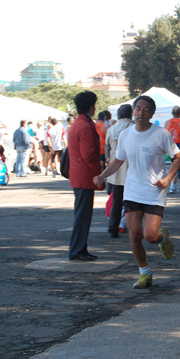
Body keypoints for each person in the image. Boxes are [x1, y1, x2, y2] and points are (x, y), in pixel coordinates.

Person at [93, 95, 180, 289]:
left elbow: (178, 158)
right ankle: (145, 273)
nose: (141, 113)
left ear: (151, 113)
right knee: (134, 235)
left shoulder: (161, 134)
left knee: (150, 236)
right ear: (133, 111)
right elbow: (118, 160)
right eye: (138, 109)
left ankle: (163, 238)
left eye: (145, 110)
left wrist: (168, 178)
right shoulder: (126, 135)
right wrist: (102, 176)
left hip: (154, 190)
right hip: (133, 189)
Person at [68, 91, 104, 261]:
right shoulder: (85, 126)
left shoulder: (79, 123)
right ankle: (77, 250)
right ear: (91, 106)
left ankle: (79, 248)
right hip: (84, 176)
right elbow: (89, 154)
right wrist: (100, 173)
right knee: (83, 216)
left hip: (79, 175)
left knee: (82, 215)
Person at [105, 104, 133, 238]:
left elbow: (107, 150)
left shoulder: (111, 130)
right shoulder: (134, 128)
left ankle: (113, 227)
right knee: (132, 200)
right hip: (130, 168)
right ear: (131, 114)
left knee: (116, 200)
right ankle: (128, 225)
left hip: (115, 169)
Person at [165, 106, 180, 194]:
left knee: (174, 164)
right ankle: (172, 185)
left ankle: (172, 184)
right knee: (177, 165)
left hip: (169, 144)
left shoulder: (167, 122)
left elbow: (164, 134)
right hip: (178, 144)